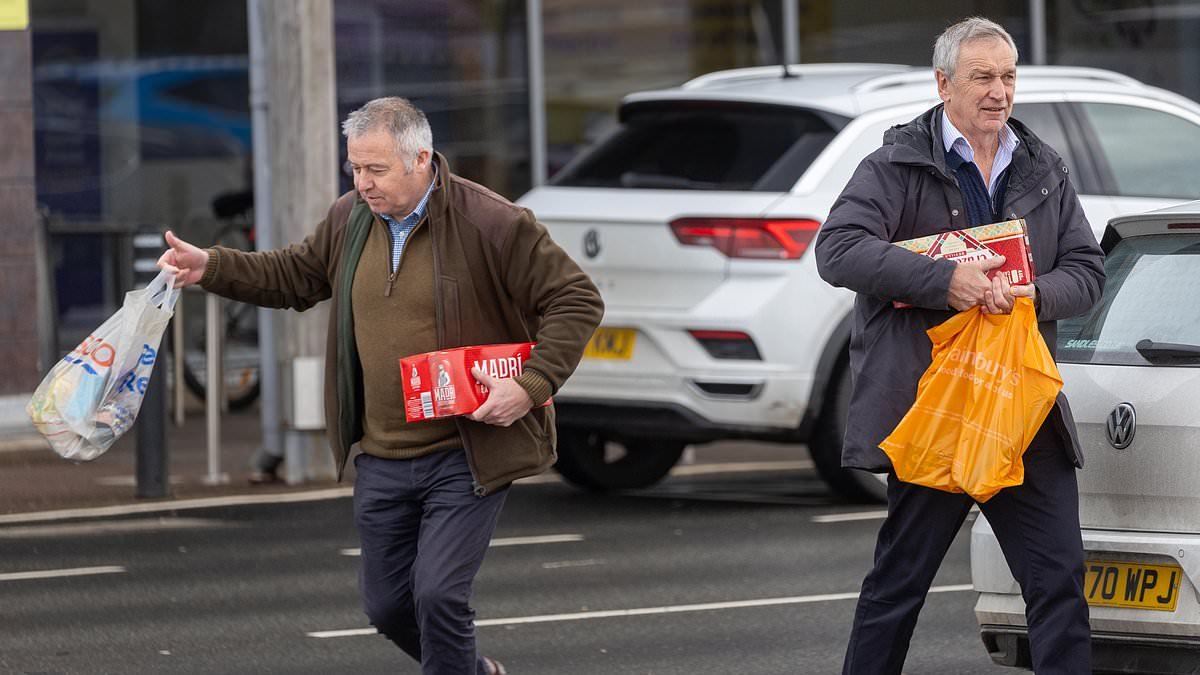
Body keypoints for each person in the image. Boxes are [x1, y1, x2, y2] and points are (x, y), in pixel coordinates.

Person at [158, 97, 604, 674]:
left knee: (440, 596)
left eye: (376, 170)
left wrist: (532, 383)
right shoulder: (351, 217)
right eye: (355, 168)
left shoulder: (491, 221)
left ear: (421, 159)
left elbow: (576, 298)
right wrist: (211, 266)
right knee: (389, 606)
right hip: (383, 454)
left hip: (464, 452)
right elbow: (296, 274)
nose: (363, 183)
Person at [813, 17, 1105, 675]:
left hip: (1019, 408)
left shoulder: (1043, 166)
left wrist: (1030, 292)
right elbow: (837, 250)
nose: (999, 91)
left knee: (1058, 581)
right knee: (900, 585)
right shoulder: (896, 164)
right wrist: (945, 281)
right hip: (938, 406)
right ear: (944, 84)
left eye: (1008, 76)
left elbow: (1088, 270)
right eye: (983, 77)